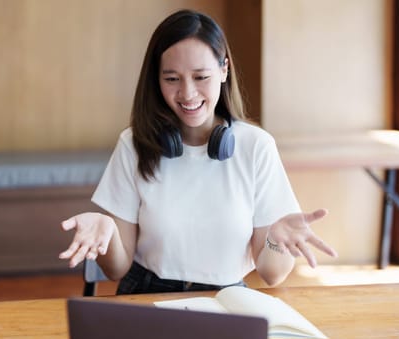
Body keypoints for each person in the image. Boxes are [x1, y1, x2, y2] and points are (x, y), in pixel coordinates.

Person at [59, 9, 337, 294]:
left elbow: (271, 274)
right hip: (146, 293)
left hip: (226, 296)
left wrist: (276, 240)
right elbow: (117, 268)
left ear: (224, 70)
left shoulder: (256, 147)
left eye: (201, 76)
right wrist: (107, 231)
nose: (188, 93)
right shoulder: (134, 144)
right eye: (172, 79)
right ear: (156, 79)